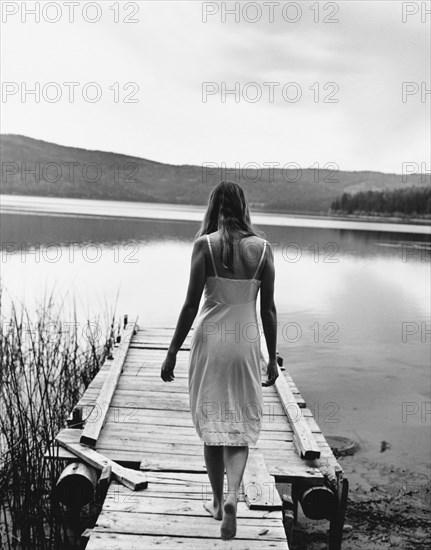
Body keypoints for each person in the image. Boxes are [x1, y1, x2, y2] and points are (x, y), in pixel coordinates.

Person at [161, 181, 278, 540]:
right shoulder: (263, 250)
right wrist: (271, 359)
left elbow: (189, 306)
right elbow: (269, 309)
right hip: (245, 343)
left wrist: (171, 352)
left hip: (211, 342)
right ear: (244, 208)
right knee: (239, 424)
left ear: (213, 207)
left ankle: (215, 501)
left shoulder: (204, 246)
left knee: (212, 423)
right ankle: (232, 497)